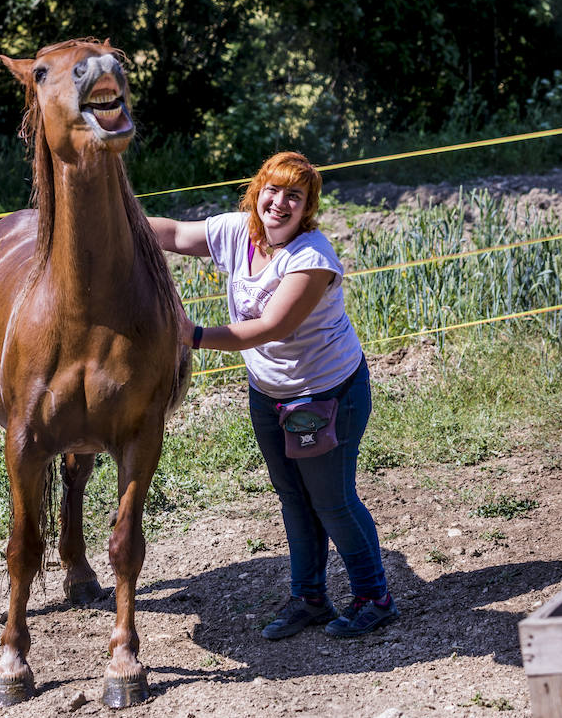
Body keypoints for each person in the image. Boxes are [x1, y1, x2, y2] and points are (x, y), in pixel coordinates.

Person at [149, 151, 398, 640]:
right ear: (257, 190)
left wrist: (189, 334)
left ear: (307, 208)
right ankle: (310, 597)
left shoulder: (311, 259)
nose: (279, 203)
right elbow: (175, 234)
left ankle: (375, 595)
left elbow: (266, 327)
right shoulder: (239, 231)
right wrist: (113, 216)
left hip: (324, 394)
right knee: (292, 496)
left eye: (294, 196)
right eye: (272, 190)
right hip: (268, 392)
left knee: (331, 500)